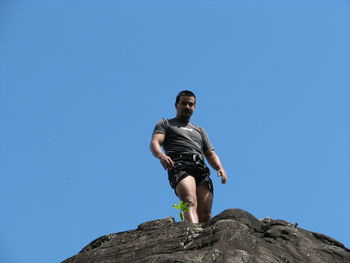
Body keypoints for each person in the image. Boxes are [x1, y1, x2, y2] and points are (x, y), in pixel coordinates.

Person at [150, 90, 228, 223]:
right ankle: (191, 233)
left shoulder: (200, 130)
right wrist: (161, 156)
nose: (187, 107)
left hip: (200, 166)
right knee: (189, 201)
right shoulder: (165, 123)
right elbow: (155, 142)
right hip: (180, 164)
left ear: (194, 107)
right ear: (176, 105)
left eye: (190, 104)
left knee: (205, 213)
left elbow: (210, 153)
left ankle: (204, 241)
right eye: (184, 103)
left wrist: (220, 168)